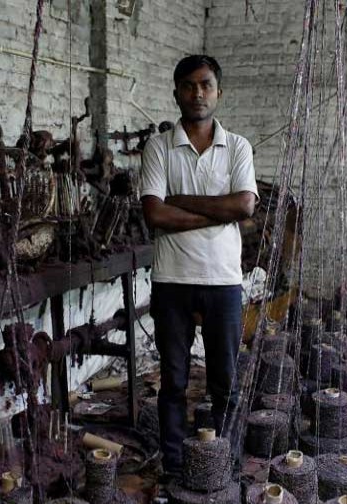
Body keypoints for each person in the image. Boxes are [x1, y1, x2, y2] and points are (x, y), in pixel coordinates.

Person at [140, 55, 258, 479]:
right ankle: (174, 466)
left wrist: (182, 202)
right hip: (172, 280)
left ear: (218, 92)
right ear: (176, 93)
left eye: (206, 85)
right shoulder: (159, 147)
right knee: (173, 381)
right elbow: (154, 213)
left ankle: (223, 464)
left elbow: (244, 205)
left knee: (224, 381)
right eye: (188, 85)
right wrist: (216, 214)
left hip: (223, 281)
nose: (197, 93)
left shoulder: (238, 147)